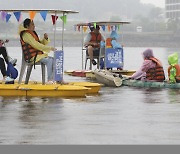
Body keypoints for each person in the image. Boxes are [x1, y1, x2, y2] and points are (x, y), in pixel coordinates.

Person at [18, 18, 57, 84]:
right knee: (49, 61)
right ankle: (50, 80)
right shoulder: (26, 35)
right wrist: (50, 48)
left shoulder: (32, 34)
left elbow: (40, 43)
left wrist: (45, 39)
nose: (34, 26)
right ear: (27, 26)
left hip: (38, 56)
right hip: (32, 57)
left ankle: (54, 79)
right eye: (32, 24)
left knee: (54, 60)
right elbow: (36, 45)